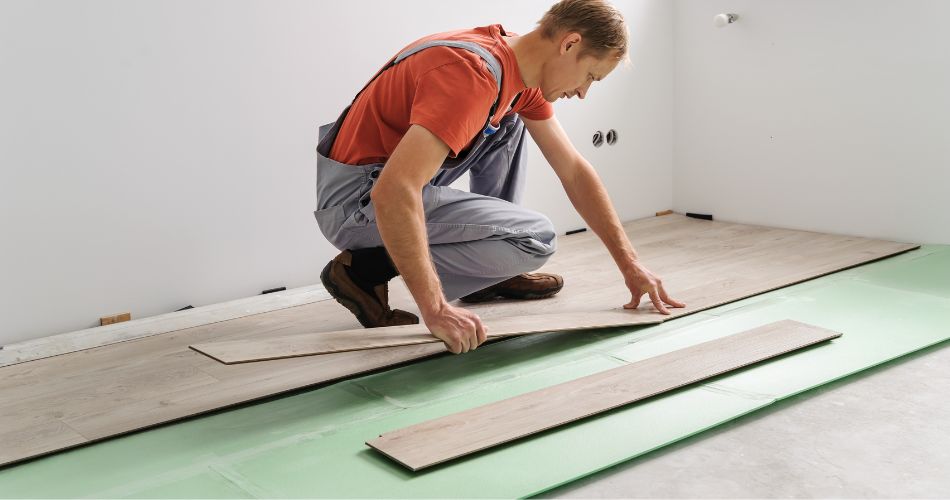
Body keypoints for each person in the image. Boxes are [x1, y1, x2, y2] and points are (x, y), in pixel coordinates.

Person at [314, 0, 684, 354]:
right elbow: (394, 191)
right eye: (590, 75)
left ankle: (491, 273)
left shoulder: (513, 68)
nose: (584, 93)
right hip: (357, 203)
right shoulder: (470, 74)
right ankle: (362, 271)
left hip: (379, 181)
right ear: (570, 43)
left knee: (509, 123)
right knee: (534, 239)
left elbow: (572, 170)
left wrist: (630, 264)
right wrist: (436, 309)